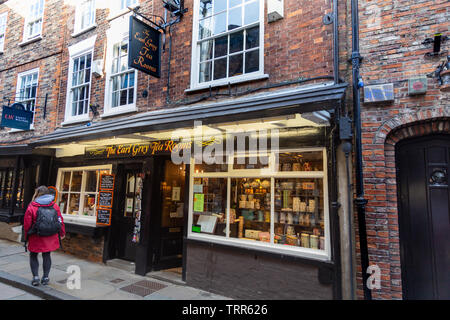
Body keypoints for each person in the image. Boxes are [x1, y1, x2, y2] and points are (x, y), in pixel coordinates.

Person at [23, 186, 65, 286]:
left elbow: (27, 224)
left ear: (37, 193)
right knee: (47, 255)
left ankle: (35, 278)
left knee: (33, 255)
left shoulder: (32, 206)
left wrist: (26, 237)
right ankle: (45, 278)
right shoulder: (54, 206)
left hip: (36, 236)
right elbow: (60, 220)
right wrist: (62, 233)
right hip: (50, 235)